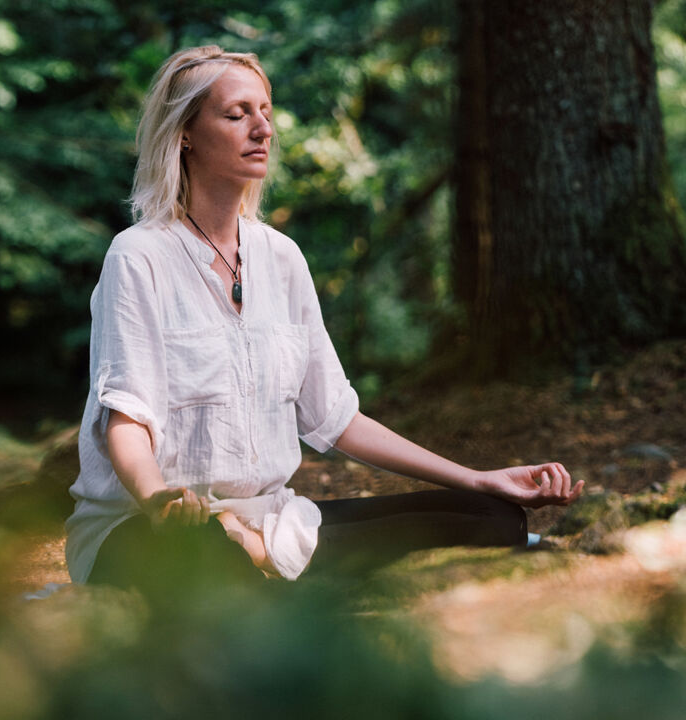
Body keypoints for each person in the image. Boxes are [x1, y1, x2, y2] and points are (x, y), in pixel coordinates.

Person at [64, 45, 583, 591]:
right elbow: (126, 420)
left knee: (492, 519)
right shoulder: (139, 255)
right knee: (207, 556)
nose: (261, 129)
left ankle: (262, 553)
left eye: (265, 112)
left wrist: (477, 479)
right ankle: (257, 568)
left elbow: (337, 420)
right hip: (150, 529)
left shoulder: (282, 258)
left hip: (270, 521)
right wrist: (156, 499)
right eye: (237, 114)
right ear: (185, 133)